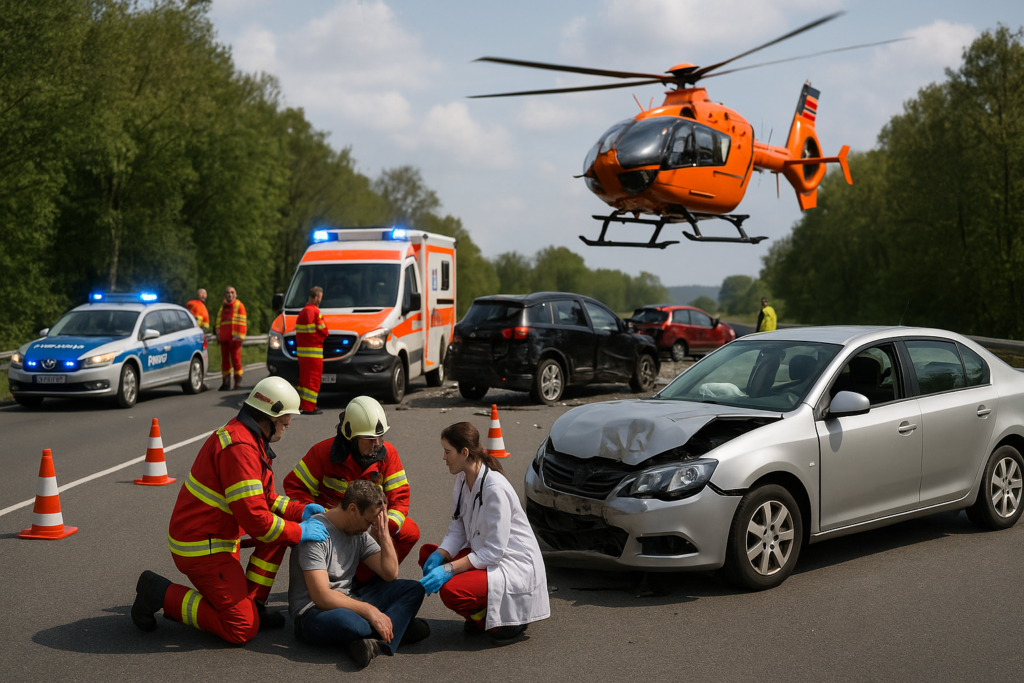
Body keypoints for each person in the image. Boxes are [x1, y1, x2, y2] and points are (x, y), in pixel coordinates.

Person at [129, 377, 330, 644]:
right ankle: (159, 593)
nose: (289, 424)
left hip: (214, 535)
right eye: (285, 418)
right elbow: (258, 521)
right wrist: (300, 531)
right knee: (242, 628)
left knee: (281, 534)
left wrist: (299, 511)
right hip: (202, 547)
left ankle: (252, 602)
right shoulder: (240, 448)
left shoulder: (249, 438)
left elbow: (265, 499)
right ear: (268, 416)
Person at [419, 422, 549, 640]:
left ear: (465, 452)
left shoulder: (494, 489)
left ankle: (501, 624)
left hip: (511, 565)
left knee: (452, 590)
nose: (444, 458)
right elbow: (458, 526)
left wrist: (449, 568)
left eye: (447, 451)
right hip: (485, 554)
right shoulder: (462, 478)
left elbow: (494, 552)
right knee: (427, 555)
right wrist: (440, 555)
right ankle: (480, 614)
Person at [289, 479, 429, 669]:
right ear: (353, 509)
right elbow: (321, 596)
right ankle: (394, 630)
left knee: (414, 589)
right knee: (356, 624)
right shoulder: (315, 534)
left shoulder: (359, 532)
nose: (369, 528)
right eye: (368, 521)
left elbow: (389, 574)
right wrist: (370, 612)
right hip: (313, 612)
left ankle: (373, 644)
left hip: (349, 599)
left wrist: (384, 534)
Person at [284, 396, 420, 584]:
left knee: (410, 531)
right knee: (284, 524)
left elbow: (400, 499)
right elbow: (295, 487)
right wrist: (317, 517)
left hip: (369, 522)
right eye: (370, 438)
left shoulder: (388, 454)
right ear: (351, 436)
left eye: (380, 437)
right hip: (334, 523)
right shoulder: (322, 452)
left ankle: (364, 580)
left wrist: (383, 528)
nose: (377, 444)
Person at [296, 286, 330, 415]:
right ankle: (309, 407)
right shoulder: (315, 312)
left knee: (304, 380)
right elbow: (323, 331)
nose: (320, 300)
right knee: (313, 380)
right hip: (314, 353)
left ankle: (303, 404)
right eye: (320, 298)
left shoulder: (302, 312)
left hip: (302, 354)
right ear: (316, 297)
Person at [216, 286, 247, 390]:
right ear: (225, 294)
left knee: (236, 359)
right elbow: (219, 322)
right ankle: (226, 382)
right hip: (224, 338)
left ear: (235, 294)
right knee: (225, 361)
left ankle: (238, 381)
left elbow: (243, 322)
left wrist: (240, 337)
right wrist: (218, 335)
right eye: (228, 293)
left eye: (232, 292)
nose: (230, 294)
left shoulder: (239, 305)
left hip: (235, 338)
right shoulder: (223, 307)